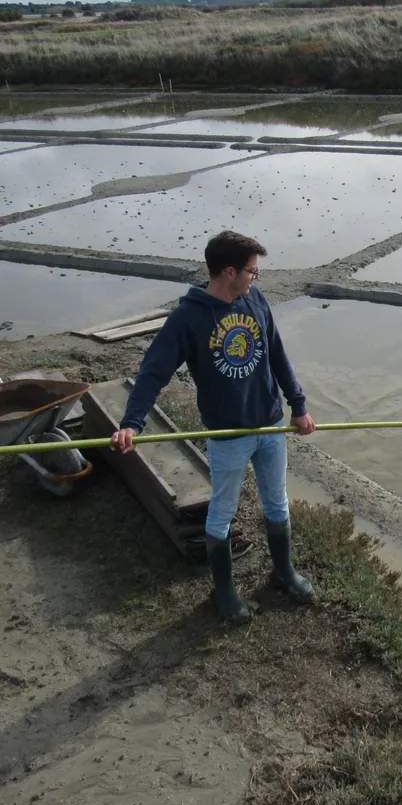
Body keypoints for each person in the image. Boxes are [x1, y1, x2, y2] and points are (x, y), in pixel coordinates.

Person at [111, 230, 317, 624]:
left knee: (278, 501)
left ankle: (284, 572)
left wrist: (298, 404)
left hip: (271, 425)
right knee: (222, 511)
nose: (256, 279)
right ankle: (224, 592)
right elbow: (153, 372)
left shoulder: (254, 299)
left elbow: (275, 351)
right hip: (228, 435)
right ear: (228, 272)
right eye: (252, 272)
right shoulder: (187, 319)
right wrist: (132, 422)